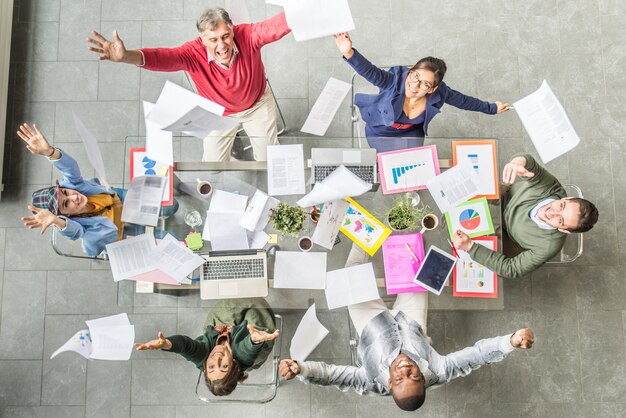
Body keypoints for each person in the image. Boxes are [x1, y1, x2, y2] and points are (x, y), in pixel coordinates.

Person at [279, 244, 534, 411]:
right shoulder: (439, 371)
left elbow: (332, 376)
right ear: (424, 378)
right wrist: (509, 342)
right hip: (410, 323)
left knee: (351, 271)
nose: (405, 369)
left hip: (371, 324)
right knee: (418, 267)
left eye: (400, 378)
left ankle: (363, 232)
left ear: (389, 384)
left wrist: (301, 368)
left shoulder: (371, 382)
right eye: (414, 376)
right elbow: (476, 356)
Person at [86, 8, 291, 162]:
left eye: (225, 36)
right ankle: (234, 136)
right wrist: (126, 57)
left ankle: (238, 136)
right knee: (212, 165)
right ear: (202, 39)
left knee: (268, 161)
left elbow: (275, 27)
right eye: (212, 40)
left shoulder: (248, 34)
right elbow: (162, 57)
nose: (221, 45)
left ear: (232, 29)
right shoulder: (191, 53)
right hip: (219, 114)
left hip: (257, 105)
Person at [18, 123, 178, 257]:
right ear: (65, 215)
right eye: (66, 204)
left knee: (173, 205)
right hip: (118, 232)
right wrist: (56, 221)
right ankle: (96, 248)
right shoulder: (74, 225)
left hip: (119, 201)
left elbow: (70, 168)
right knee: (171, 241)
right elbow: (73, 231)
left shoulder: (74, 186)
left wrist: (50, 152)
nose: (73, 197)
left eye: (66, 193)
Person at [333, 32, 509, 153]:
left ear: (432, 88)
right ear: (410, 71)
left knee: (410, 172)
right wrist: (348, 52)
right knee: (384, 167)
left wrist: (492, 108)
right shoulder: (394, 80)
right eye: (414, 75)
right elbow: (370, 71)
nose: (415, 85)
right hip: (381, 131)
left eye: (425, 84)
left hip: (411, 134)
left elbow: (464, 101)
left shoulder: (440, 93)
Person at [453, 153, 599, 278]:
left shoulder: (549, 246)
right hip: (503, 197)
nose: (551, 212)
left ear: (564, 230)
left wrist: (470, 247)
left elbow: (511, 269)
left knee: (452, 231)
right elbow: (529, 162)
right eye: (561, 206)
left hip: (506, 236)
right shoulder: (551, 187)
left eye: (560, 220)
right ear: (565, 199)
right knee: (455, 193)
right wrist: (518, 162)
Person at [135, 299, 279, 396]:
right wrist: (254, 340)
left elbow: (185, 346)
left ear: (205, 366)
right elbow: (247, 349)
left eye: (211, 367)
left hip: (227, 330)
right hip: (258, 337)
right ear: (234, 364)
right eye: (223, 366)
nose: (216, 359)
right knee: (255, 322)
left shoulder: (202, 358)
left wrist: (167, 344)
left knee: (224, 312)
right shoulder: (243, 358)